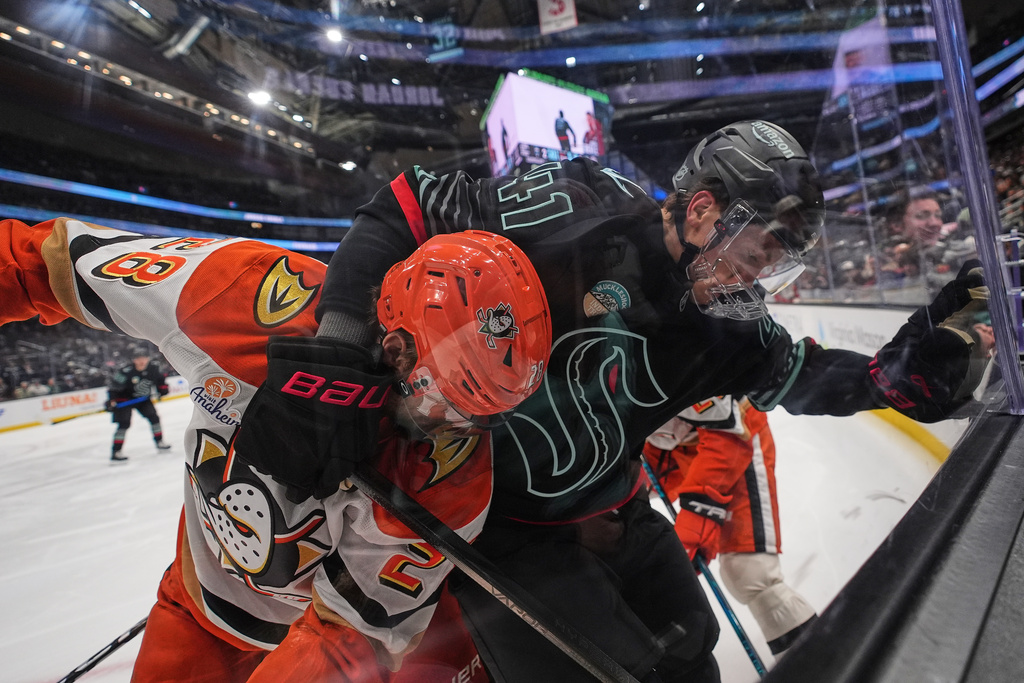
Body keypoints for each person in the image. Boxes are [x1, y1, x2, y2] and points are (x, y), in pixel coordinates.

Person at [289, 119, 988, 682]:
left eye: (775, 265)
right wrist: (342, 344)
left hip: (619, 510)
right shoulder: (572, 206)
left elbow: (801, 374)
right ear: (704, 208)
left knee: (692, 654)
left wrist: (892, 377)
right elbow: (402, 206)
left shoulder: (725, 319)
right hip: (497, 534)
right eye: (753, 256)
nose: (757, 281)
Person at [0, 218, 552, 683]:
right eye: (450, 401)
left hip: (306, 636)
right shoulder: (240, 290)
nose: (458, 431)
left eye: (484, 413)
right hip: (198, 610)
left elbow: (346, 639)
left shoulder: (455, 475)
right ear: (396, 347)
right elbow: (45, 263)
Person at [643, 396, 817, 657]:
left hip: (732, 436)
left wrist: (696, 524)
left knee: (750, 573)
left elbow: (728, 437)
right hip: (663, 442)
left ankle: (819, 663)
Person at [106, 347, 171, 461]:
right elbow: (113, 387)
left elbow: (161, 380)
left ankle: (160, 442)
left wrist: (162, 389)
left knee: (154, 418)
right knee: (124, 424)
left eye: (144, 358)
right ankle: (116, 452)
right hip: (124, 400)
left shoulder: (153, 368)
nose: (142, 361)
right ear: (134, 360)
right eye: (138, 359)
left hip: (143, 399)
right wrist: (112, 400)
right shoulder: (126, 371)